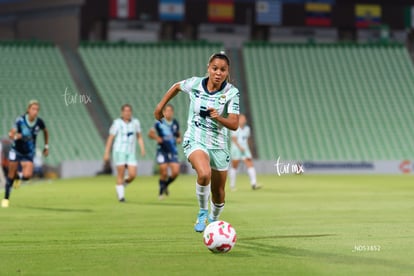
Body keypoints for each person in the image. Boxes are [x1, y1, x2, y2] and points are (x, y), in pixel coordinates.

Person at [154, 52, 240, 232]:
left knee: (219, 194)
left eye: (222, 70)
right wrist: (160, 106)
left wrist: (218, 118)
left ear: (227, 72)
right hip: (195, 139)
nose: (218, 73)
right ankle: (202, 211)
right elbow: (177, 86)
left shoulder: (231, 92)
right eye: (215, 68)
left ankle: (214, 220)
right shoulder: (195, 83)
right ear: (208, 68)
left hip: (219, 145)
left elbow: (234, 124)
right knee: (204, 174)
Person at [1, 100, 49, 208]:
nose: (35, 111)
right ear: (28, 109)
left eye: (37, 109)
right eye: (33, 109)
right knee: (10, 175)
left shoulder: (39, 122)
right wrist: (14, 136)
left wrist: (46, 146)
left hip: (29, 152)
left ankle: (19, 177)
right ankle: (6, 199)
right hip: (16, 150)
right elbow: (11, 133)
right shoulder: (20, 120)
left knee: (27, 176)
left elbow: (46, 131)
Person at [104, 104, 146, 202]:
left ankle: (121, 185)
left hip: (131, 152)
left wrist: (142, 148)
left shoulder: (135, 122)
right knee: (121, 173)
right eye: (125, 111)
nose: (127, 113)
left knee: (132, 175)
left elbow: (139, 136)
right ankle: (121, 197)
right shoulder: (117, 123)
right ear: (122, 112)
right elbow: (111, 138)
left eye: (129, 111)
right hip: (119, 151)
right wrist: (106, 153)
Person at [148, 104, 181, 199]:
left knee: (175, 172)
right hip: (162, 150)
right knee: (164, 172)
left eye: (170, 111)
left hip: (172, 150)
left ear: (172, 112)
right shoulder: (159, 122)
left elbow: (178, 133)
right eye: (167, 111)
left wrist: (179, 138)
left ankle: (165, 185)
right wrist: (156, 137)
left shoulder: (175, 123)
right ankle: (161, 192)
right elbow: (150, 134)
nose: (169, 112)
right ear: (164, 112)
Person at [228, 114, 260, 191]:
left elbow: (248, 139)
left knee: (250, 163)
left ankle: (254, 183)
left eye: (244, 119)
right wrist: (240, 147)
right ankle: (232, 185)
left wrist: (248, 148)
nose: (243, 120)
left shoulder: (247, 129)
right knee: (234, 166)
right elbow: (234, 139)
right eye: (242, 119)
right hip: (236, 149)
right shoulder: (235, 128)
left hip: (245, 149)